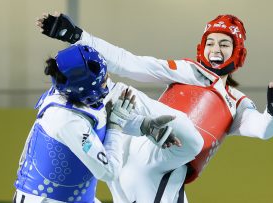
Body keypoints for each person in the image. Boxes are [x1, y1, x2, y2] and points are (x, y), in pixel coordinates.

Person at [37, 13, 273, 203]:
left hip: (157, 171)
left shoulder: (237, 102)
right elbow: (130, 63)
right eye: (211, 43)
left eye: (224, 44)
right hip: (135, 152)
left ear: (238, 52)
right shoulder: (189, 71)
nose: (215, 49)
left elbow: (262, 129)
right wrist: (78, 37)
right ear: (202, 48)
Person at [14, 44, 203, 203]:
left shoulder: (72, 95)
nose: (108, 83)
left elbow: (100, 117)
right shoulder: (66, 120)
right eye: (103, 81)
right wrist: (116, 126)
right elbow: (108, 171)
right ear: (84, 88)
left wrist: (144, 126)